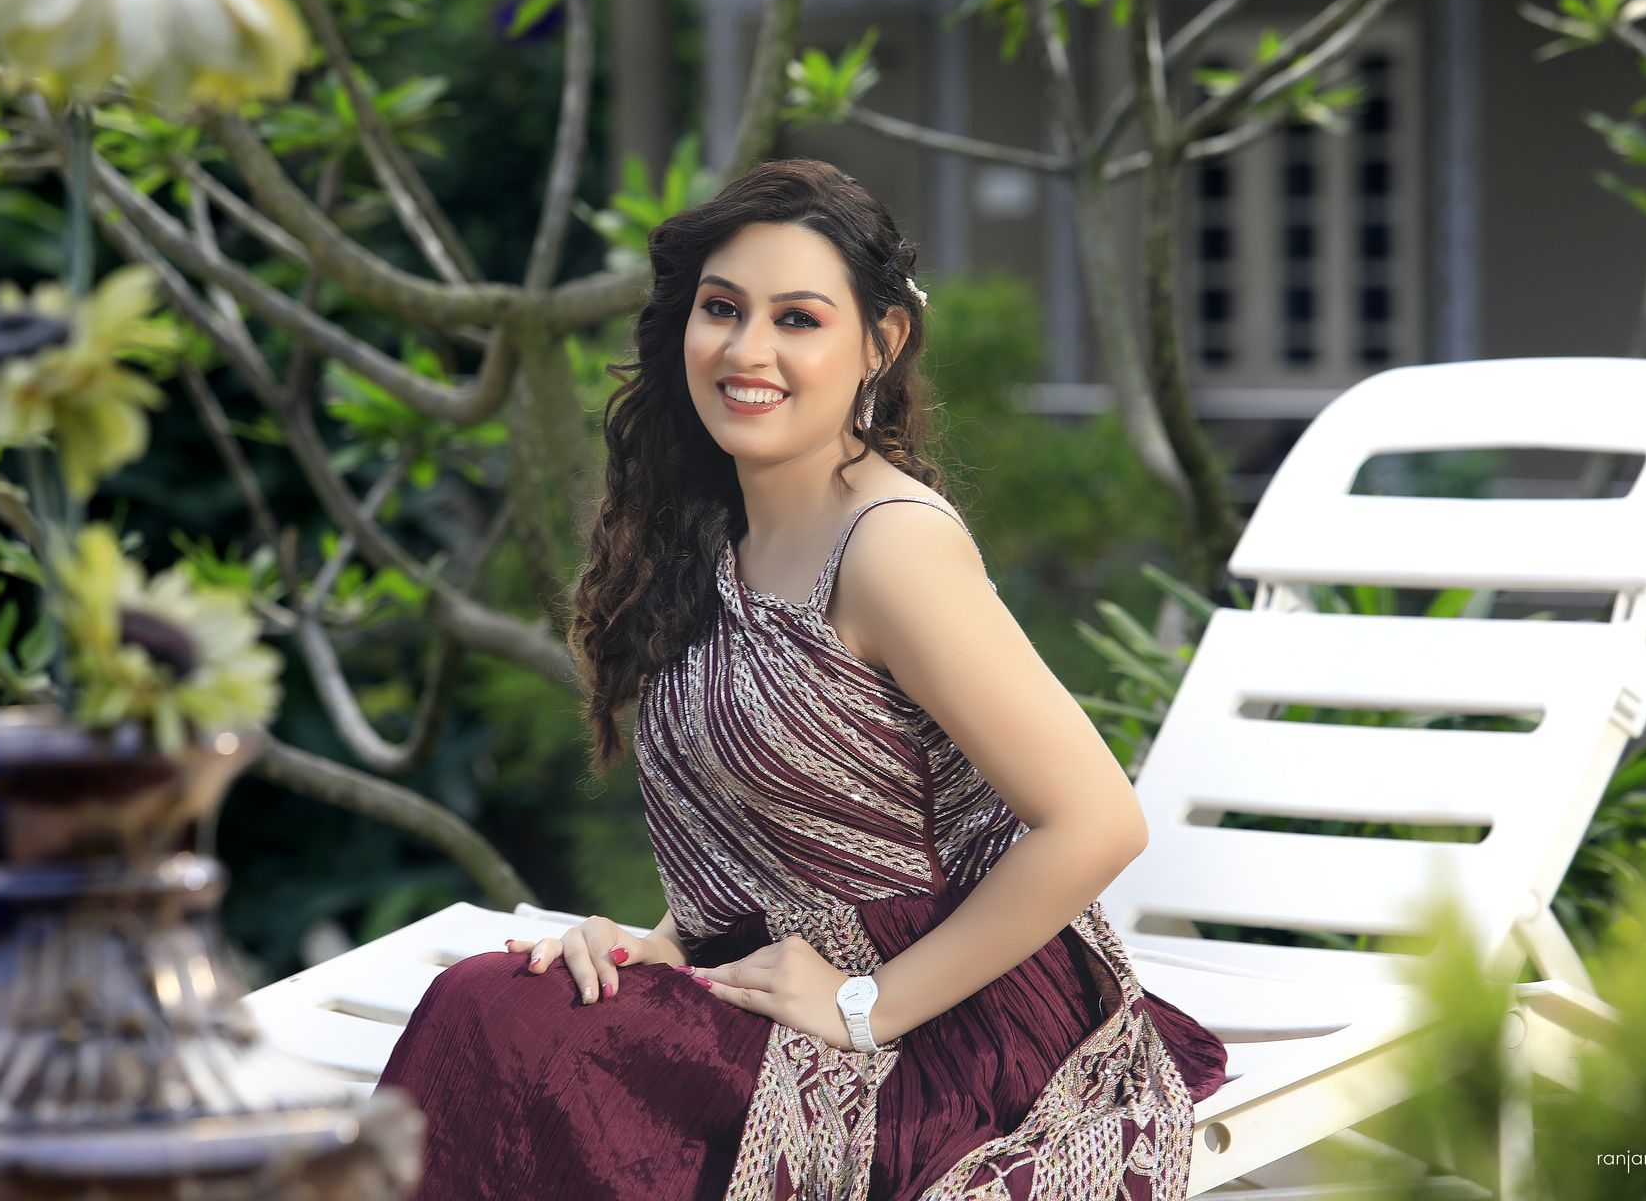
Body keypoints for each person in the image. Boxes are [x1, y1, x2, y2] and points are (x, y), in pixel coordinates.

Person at [376, 157, 1227, 1200]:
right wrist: (647, 947)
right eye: (723, 308)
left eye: (798, 319)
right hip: (779, 997)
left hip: (952, 1039)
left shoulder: (889, 545)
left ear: (881, 342)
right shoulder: (716, 535)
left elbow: (1097, 821)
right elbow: (786, 836)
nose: (747, 350)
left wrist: (868, 1003)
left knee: (490, 1013)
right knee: (517, 1001)